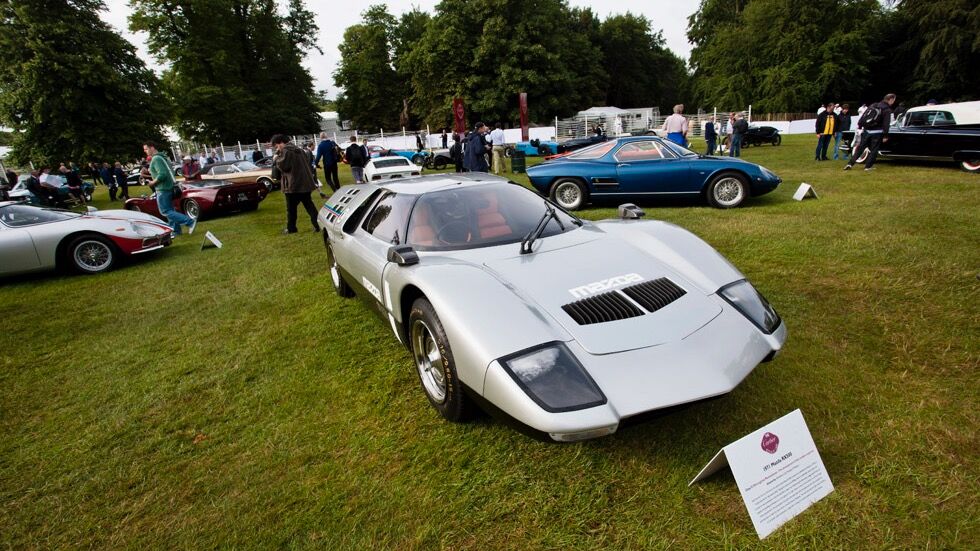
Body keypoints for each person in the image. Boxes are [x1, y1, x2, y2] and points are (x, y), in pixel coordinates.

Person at [144, 140, 197, 235]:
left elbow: (162, 175)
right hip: (169, 187)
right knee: (170, 210)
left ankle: (189, 221)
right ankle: (176, 231)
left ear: (152, 147)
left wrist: (152, 182)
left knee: (165, 211)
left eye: (146, 149)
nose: (145, 151)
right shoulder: (163, 157)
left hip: (162, 188)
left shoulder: (156, 159)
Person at [271, 134, 319, 234]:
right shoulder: (299, 150)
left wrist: (276, 159)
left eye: (276, 146)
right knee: (309, 205)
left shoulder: (286, 151)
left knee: (291, 209)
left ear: (281, 143)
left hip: (293, 185)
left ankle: (291, 229)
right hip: (304, 182)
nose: (277, 148)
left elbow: (284, 166)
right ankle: (318, 225)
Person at [845, 93, 896, 172]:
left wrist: (860, 125)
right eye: (893, 100)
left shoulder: (874, 105)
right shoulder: (886, 109)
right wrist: (885, 135)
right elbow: (886, 123)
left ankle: (850, 164)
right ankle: (868, 166)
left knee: (860, 148)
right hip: (877, 132)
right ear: (891, 100)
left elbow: (864, 116)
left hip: (866, 130)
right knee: (874, 150)